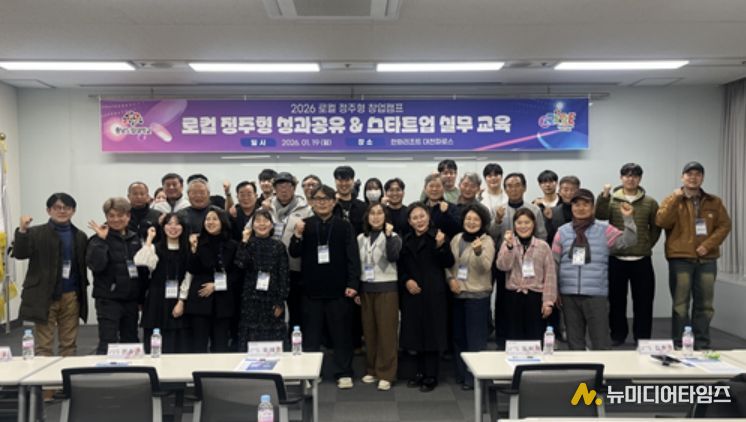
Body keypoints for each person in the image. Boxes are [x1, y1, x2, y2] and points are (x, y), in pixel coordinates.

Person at [289, 185, 361, 389]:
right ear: (311, 202)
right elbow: (294, 253)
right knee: (311, 336)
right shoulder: (305, 224)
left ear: (333, 201)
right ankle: (311, 373)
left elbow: (353, 257)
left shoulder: (344, 226)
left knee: (341, 334)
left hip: (339, 289)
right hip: (311, 290)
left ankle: (344, 372)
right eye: (317, 199)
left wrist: (353, 283)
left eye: (326, 199)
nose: (322, 202)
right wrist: (297, 235)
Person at [656, 161, 731, 349]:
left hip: (707, 259)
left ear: (702, 178)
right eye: (689, 174)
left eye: (697, 174)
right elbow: (662, 221)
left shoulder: (714, 201)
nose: (693, 177)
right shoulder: (672, 199)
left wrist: (708, 245)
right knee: (680, 304)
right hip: (680, 258)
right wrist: (675, 199)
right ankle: (679, 343)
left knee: (705, 304)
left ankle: (702, 344)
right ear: (682, 177)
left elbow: (724, 225)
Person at [552, 189, 637, 350]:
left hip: (596, 294)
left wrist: (628, 218)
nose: (581, 208)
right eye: (577, 204)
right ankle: (579, 367)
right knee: (574, 342)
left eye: (586, 204)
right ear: (571, 207)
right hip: (569, 294)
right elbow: (554, 263)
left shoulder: (605, 229)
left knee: (600, 341)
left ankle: (603, 367)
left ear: (593, 207)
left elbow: (630, 241)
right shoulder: (562, 232)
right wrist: (555, 290)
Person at [12, 193, 89, 357]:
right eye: (57, 207)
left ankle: (66, 372)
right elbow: (20, 254)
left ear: (73, 211)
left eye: (66, 208)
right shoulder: (35, 233)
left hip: (71, 295)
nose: (62, 211)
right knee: (44, 345)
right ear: (48, 210)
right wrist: (22, 230)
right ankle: (44, 373)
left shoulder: (80, 236)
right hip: (43, 294)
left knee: (69, 344)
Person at [595, 163, 661, 346]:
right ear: (621, 178)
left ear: (640, 179)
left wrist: (646, 244)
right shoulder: (612, 200)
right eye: (627, 175)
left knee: (644, 301)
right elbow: (599, 215)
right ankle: (618, 335)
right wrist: (604, 196)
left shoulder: (650, 202)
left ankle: (642, 337)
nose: (630, 179)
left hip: (642, 259)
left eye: (635, 176)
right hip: (616, 257)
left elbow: (656, 227)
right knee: (616, 301)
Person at [399, 202, 454, 392]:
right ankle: (418, 373)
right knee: (414, 334)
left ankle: (431, 375)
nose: (419, 220)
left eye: (422, 216)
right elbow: (400, 267)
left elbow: (449, 262)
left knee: (432, 334)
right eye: (414, 218)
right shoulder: (406, 239)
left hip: (433, 292)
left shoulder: (439, 236)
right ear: (409, 221)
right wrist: (406, 281)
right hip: (412, 293)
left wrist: (440, 246)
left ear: (429, 217)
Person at [175, 209, 241, 352]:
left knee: (221, 344)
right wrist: (193, 250)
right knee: (198, 344)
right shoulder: (197, 242)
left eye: (214, 219)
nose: (210, 222)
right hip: (200, 299)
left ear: (222, 222)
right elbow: (191, 269)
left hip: (223, 299)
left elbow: (237, 273)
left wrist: (216, 285)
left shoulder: (233, 245)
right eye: (207, 219)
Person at [86, 197, 146, 354]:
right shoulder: (97, 239)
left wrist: (141, 298)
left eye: (120, 215)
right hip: (108, 299)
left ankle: (132, 369)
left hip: (131, 300)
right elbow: (96, 266)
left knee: (131, 340)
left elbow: (141, 271)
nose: (116, 220)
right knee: (108, 341)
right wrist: (102, 241)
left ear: (128, 216)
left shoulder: (135, 238)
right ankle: (104, 369)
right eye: (111, 216)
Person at [447, 203, 495, 390]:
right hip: (458, 294)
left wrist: (478, 252)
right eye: (468, 218)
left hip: (477, 297)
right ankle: (461, 374)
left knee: (476, 340)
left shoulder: (487, 241)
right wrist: (450, 279)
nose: (471, 222)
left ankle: (474, 377)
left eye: (476, 219)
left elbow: (485, 267)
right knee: (459, 337)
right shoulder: (457, 238)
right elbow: (448, 264)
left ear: (482, 222)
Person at [356, 203, 402, 391]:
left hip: (387, 288)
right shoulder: (361, 238)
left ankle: (387, 373)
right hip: (366, 289)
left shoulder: (394, 236)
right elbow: (358, 265)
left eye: (379, 213)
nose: (376, 217)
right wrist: (358, 289)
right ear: (367, 217)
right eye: (372, 213)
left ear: (386, 217)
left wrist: (389, 236)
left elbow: (393, 257)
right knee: (369, 332)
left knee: (387, 332)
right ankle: (372, 369)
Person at [265, 172, 313, 338]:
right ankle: (274, 340)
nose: (284, 190)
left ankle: (296, 341)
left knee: (296, 308)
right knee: (271, 307)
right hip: (270, 268)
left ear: (294, 188)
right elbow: (252, 228)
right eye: (280, 186)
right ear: (274, 189)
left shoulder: (306, 210)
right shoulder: (266, 208)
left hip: (294, 267)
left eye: (288, 186)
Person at [496, 208, 557, 341]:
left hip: (535, 298)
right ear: (514, 225)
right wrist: (510, 247)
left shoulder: (543, 246)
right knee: (514, 339)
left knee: (535, 339)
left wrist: (548, 302)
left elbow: (550, 276)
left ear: (534, 224)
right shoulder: (507, 243)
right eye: (519, 223)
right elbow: (502, 266)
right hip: (513, 297)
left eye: (527, 222)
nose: (523, 226)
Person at [133, 213, 190, 353]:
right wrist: (149, 239)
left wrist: (182, 301)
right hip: (156, 299)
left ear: (183, 227)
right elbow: (140, 261)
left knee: (178, 342)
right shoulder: (155, 248)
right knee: (155, 341)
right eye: (169, 224)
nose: (173, 227)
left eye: (177, 224)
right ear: (163, 227)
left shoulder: (188, 249)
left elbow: (189, 276)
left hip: (179, 298)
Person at [234, 209, 289, 349]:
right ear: (252, 225)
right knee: (251, 337)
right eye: (258, 221)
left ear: (271, 225)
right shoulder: (248, 244)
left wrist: (280, 301)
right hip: (251, 299)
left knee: (273, 339)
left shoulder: (279, 246)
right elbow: (240, 264)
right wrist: (244, 241)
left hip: (272, 298)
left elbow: (284, 276)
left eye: (265, 221)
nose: (262, 224)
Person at [544, 175, 581, 243]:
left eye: (572, 190)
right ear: (560, 192)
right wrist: (549, 220)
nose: (569, 193)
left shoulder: (584, 210)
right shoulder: (553, 212)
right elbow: (548, 237)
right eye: (565, 190)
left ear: (578, 192)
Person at [422, 173, 460, 238]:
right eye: (431, 186)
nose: (434, 189)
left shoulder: (452, 208)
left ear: (444, 189)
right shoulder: (419, 208)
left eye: (438, 186)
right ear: (425, 189)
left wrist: (446, 213)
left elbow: (457, 229)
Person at [332, 166, 366, 235]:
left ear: (353, 181)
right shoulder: (329, 205)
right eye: (340, 180)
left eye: (347, 180)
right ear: (335, 181)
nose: (344, 184)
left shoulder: (363, 207)